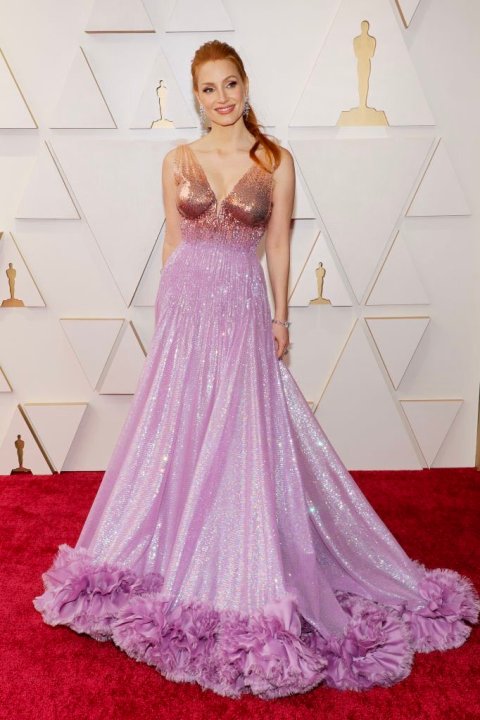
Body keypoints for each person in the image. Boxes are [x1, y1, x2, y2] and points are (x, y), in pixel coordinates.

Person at [33, 40, 479, 700]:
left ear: (246, 85)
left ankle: (241, 550)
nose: (222, 97)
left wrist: (281, 319)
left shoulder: (274, 161)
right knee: (181, 429)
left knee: (241, 432)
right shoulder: (176, 159)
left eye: (230, 83)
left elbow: (277, 245)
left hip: (241, 307)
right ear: (196, 96)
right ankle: (176, 538)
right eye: (209, 88)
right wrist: (165, 323)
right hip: (187, 309)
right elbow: (173, 241)